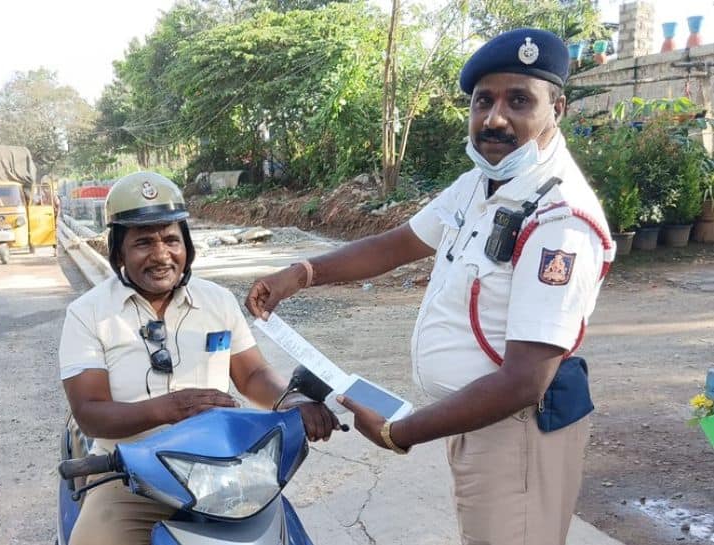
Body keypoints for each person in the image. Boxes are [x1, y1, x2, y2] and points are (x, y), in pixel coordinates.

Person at [246, 29, 614, 545]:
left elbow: (525, 379)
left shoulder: (560, 220)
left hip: (518, 430)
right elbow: (396, 244)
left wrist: (401, 432)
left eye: (518, 101)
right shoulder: (481, 184)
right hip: (476, 420)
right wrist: (302, 273)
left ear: (558, 108)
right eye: (484, 101)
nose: (495, 118)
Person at [58, 171, 339, 545]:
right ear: (118, 252)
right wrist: (168, 409)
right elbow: (90, 412)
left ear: (187, 246)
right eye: (143, 242)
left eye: (171, 240)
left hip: (221, 473)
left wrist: (292, 400)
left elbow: (252, 373)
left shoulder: (217, 301)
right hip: (130, 476)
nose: (161, 255)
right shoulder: (88, 313)